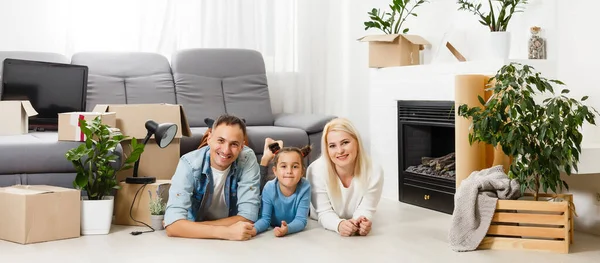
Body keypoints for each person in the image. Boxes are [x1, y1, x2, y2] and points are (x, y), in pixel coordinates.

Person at [164, 114, 261, 241]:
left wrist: (187, 227)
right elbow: (172, 227)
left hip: (198, 231)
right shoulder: (188, 163)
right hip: (194, 243)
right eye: (220, 140)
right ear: (209, 138)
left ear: (242, 146)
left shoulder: (247, 158)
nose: (226, 150)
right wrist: (226, 232)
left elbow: (248, 217)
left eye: (234, 144)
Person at [306, 117, 384, 237]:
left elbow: (366, 209)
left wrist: (361, 222)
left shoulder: (374, 171)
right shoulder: (315, 170)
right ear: (327, 149)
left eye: (345, 143)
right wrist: (339, 225)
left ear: (357, 142)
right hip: (321, 226)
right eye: (332, 146)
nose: (340, 150)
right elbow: (324, 212)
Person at [253, 138, 312, 237]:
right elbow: (264, 219)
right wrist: (254, 229)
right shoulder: (269, 188)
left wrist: (287, 229)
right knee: (257, 188)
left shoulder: (305, 187)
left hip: (288, 225)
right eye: (284, 166)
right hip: (271, 221)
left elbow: (301, 220)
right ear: (275, 171)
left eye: (295, 167)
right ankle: (267, 155)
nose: (289, 171)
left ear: (302, 171)